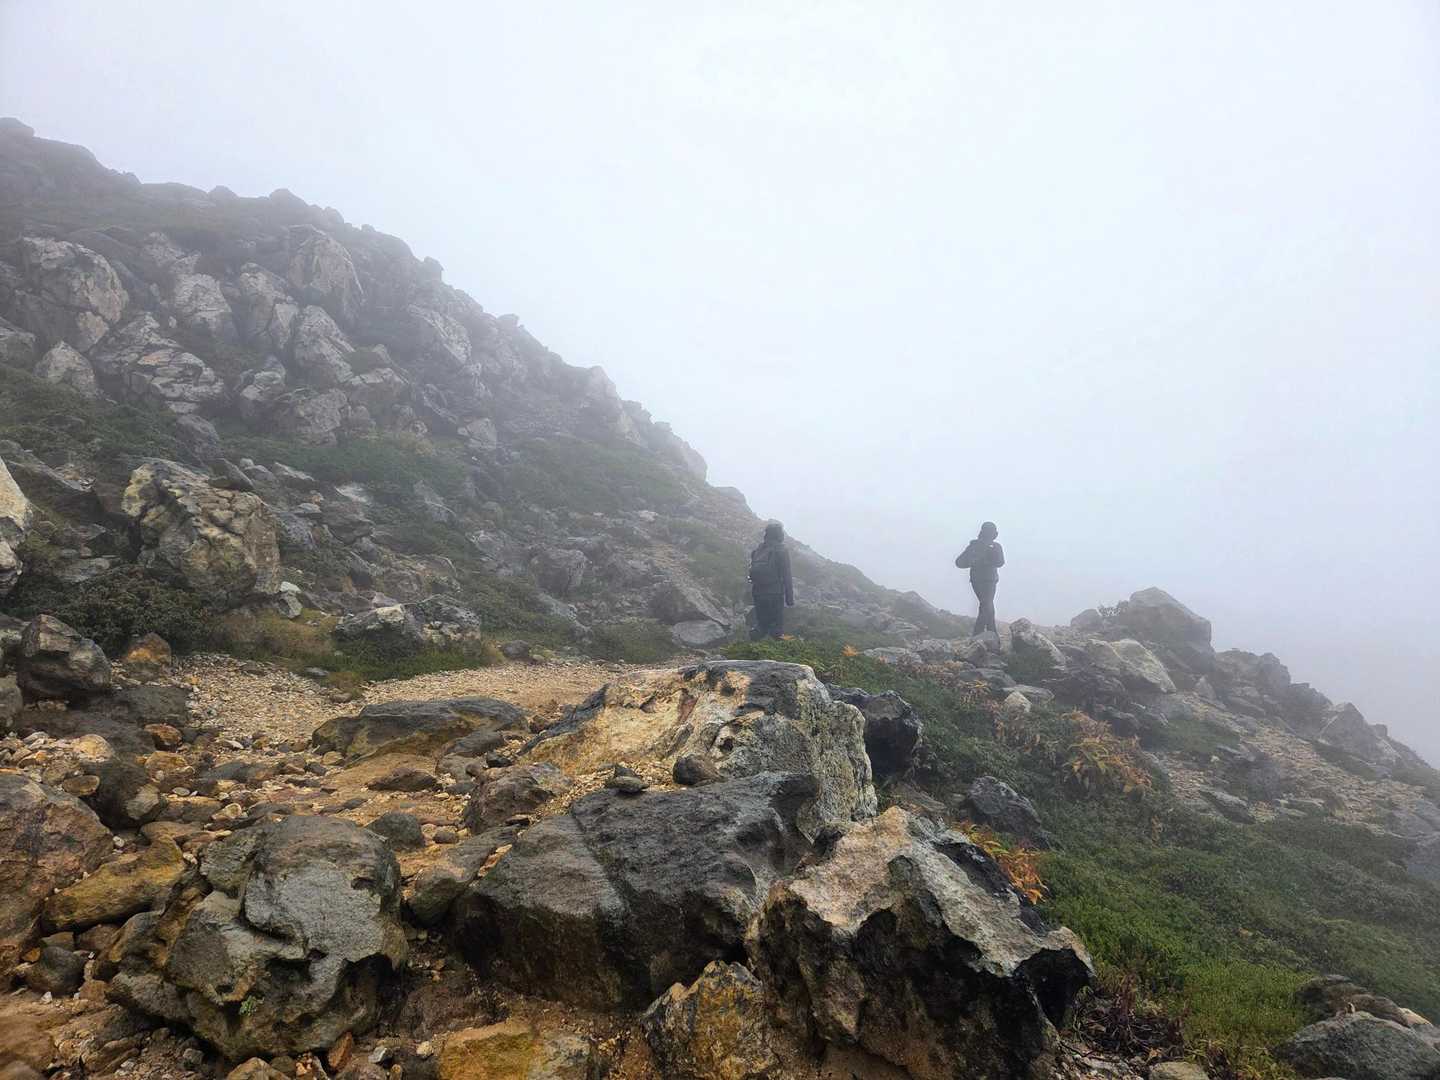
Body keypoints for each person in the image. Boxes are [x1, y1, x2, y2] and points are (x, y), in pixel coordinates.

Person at [955, 521, 1005, 635]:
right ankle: (980, 634)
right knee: (986, 604)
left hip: (987, 580)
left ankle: (990, 633)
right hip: (982, 580)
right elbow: (959, 562)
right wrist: (974, 561)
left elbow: (1000, 562)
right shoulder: (975, 546)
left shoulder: (994, 546)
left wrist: (988, 559)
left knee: (987, 605)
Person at [749, 521, 794, 640]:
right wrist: (789, 599)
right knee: (776, 627)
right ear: (779, 534)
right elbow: (786, 575)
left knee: (761, 625)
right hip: (774, 593)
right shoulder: (781, 550)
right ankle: (776, 649)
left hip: (758, 593)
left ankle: (752, 647)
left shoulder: (758, 550)